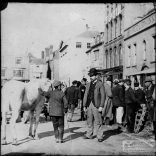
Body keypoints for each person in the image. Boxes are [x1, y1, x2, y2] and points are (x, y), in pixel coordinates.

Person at [83, 68, 105, 142]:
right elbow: (86, 95)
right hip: (89, 104)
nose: (91, 77)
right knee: (89, 120)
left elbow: (103, 95)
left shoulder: (100, 84)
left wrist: (101, 106)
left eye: (92, 76)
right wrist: (84, 105)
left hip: (96, 105)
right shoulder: (88, 84)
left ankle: (100, 136)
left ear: (96, 76)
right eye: (90, 76)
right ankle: (89, 134)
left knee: (98, 121)